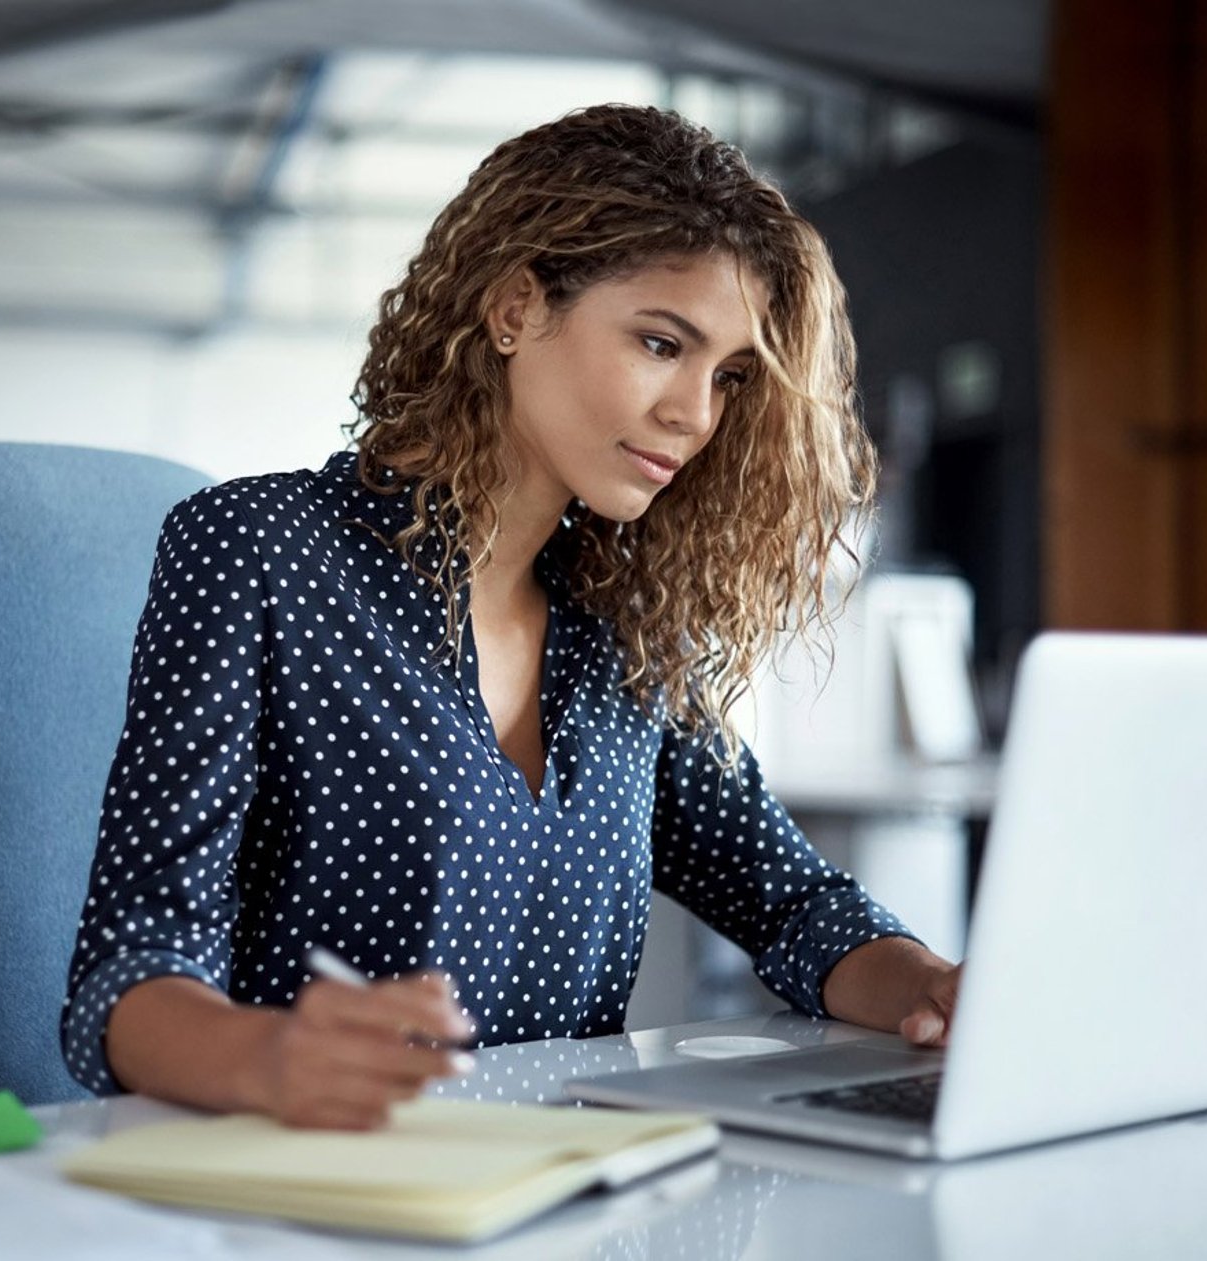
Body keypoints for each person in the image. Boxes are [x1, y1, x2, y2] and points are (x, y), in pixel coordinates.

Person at [62, 103, 961, 1130]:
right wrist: (265, 1055)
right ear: (513, 309)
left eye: (728, 377)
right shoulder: (260, 549)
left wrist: (935, 987)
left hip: (562, 1201)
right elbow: (125, 977)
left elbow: (797, 907)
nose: (697, 414)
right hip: (309, 1199)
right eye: (662, 342)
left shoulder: (625, 631)